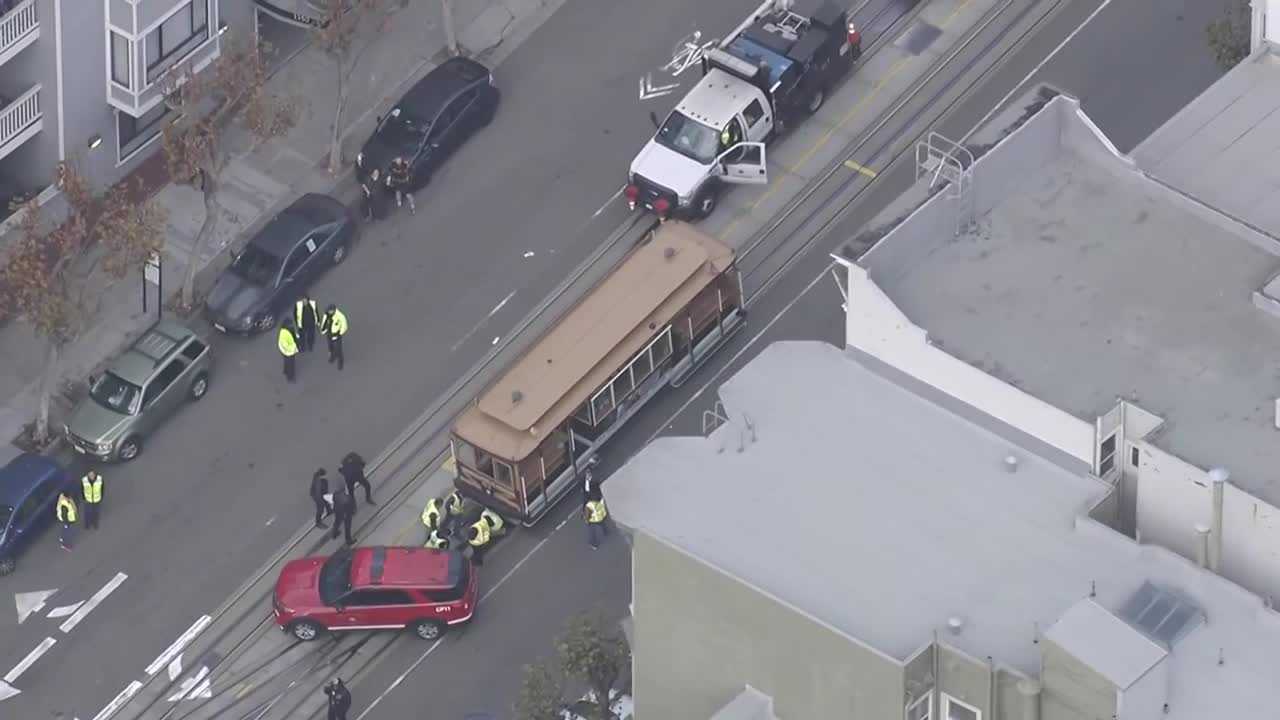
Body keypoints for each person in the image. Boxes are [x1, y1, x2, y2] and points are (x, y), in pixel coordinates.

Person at [320, 304, 349, 370]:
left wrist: (340, 333)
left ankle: (340, 362)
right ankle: (332, 356)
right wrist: (323, 330)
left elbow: (344, 325)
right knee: (330, 347)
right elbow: (324, 322)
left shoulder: (340, 316)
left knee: (338, 350)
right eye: (328, 311)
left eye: (330, 311)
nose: (329, 312)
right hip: (329, 334)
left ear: (334, 310)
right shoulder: (326, 314)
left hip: (336, 335)